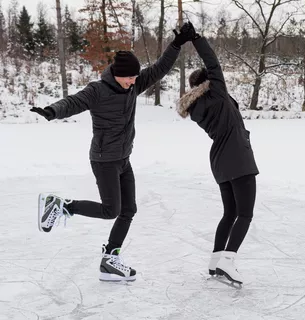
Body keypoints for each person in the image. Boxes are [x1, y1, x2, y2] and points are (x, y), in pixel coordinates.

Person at [31, 22, 195, 282]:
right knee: (111, 210)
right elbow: (75, 101)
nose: (134, 81)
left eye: (135, 77)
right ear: (117, 74)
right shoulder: (98, 90)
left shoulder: (133, 85)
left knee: (129, 209)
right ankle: (62, 206)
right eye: (130, 77)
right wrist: (53, 111)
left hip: (123, 159)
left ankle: (110, 260)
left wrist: (176, 44)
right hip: (104, 160)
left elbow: (160, 69)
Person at [176, 24, 259, 284]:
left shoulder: (197, 106)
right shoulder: (217, 93)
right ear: (209, 83)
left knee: (229, 213)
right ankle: (228, 260)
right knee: (244, 214)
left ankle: (215, 262)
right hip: (238, 157)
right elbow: (212, 61)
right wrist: (197, 39)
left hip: (220, 161)